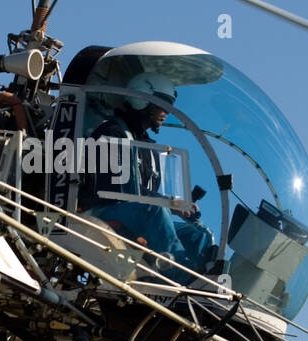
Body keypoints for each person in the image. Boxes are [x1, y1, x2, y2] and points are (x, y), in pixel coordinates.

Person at [83, 74, 215, 281]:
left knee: (198, 235)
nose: (166, 112)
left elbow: (147, 194)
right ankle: (181, 278)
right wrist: (169, 203)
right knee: (155, 209)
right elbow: (117, 187)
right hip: (102, 213)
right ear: (142, 100)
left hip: (136, 216)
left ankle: (202, 282)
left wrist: (179, 206)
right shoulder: (112, 133)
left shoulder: (150, 150)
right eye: (163, 105)